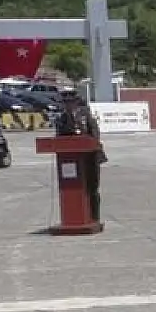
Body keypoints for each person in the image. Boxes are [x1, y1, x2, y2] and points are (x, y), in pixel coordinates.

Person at [53, 88, 106, 222]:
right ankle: (74, 217)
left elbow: (95, 135)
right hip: (70, 160)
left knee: (92, 188)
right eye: (66, 103)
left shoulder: (85, 116)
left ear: (76, 103)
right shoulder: (61, 119)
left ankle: (94, 217)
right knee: (72, 188)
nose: (69, 105)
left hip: (90, 158)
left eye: (71, 102)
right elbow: (58, 139)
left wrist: (93, 145)